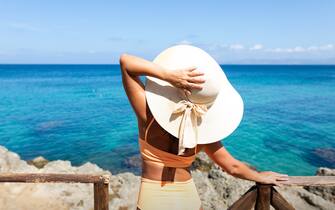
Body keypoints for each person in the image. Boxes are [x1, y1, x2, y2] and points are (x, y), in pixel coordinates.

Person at [119, 45, 288, 210]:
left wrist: (169, 76)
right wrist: (259, 176)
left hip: (152, 199)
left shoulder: (147, 115)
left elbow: (126, 62)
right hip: (188, 198)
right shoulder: (202, 133)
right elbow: (232, 167)